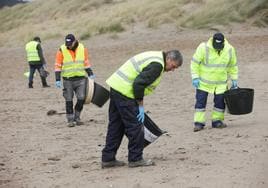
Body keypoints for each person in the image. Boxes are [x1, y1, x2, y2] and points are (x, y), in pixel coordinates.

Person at [101, 50, 183, 168]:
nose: (172, 70)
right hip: (125, 92)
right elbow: (138, 84)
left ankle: (108, 158)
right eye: (173, 66)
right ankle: (135, 158)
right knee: (136, 125)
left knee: (116, 125)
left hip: (116, 87)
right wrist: (140, 105)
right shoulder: (158, 65)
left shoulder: (155, 56)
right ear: (169, 59)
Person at [190, 32, 238, 132]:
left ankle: (217, 121)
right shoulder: (203, 47)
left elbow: (233, 66)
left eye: (220, 46)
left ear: (223, 43)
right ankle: (199, 123)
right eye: (216, 46)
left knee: (220, 103)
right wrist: (195, 77)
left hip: (221, 83)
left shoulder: (230, 49)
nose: (217, 48)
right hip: (203, 83)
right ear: (212, 42)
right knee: (200, 103)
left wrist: (234, 79)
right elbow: (194, 63)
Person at [54, 34, 95, 127]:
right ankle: (70, 120)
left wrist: (90, 73)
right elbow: (57, 65)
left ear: (74, 41)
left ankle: (77, 117)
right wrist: (57, 79)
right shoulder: (61, 49)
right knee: (68, 99)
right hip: (67, 79)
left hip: (81, 78)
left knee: (81, 98)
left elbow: (86, 62)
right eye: (67, 44)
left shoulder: (82, 48)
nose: (68, 46)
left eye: (70, 44)